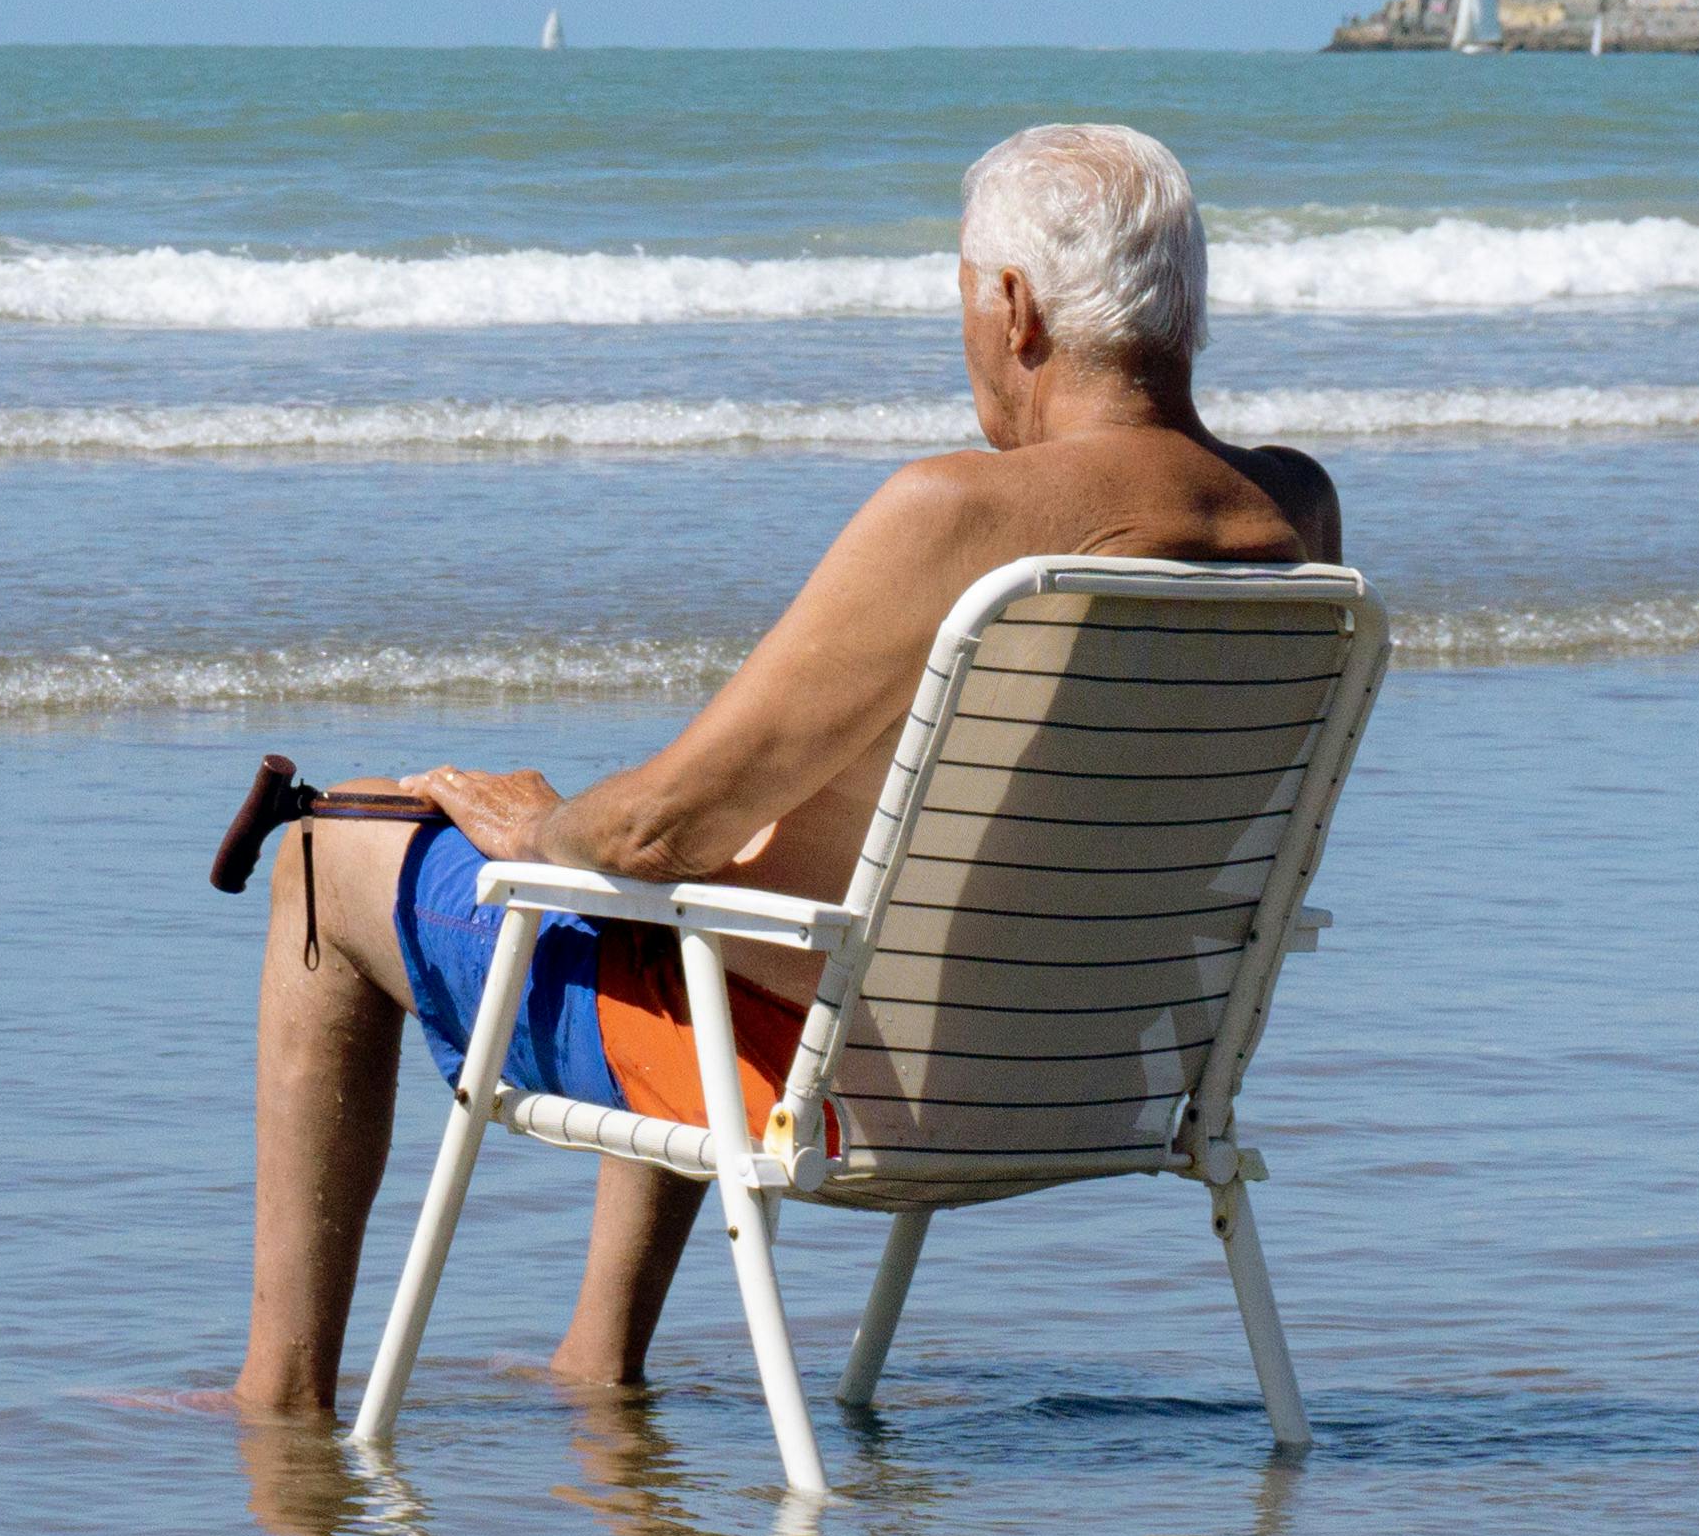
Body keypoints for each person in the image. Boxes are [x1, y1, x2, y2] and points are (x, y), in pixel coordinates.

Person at [236, 122, 1341, 1418]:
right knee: (719, 870)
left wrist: (546, 827)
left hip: (854, 1088)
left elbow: (656, 831)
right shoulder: (1296, 516)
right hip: (1094, 1074)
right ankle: (598, 1358)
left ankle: (281, 1395)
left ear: (1015, 307)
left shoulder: (958, 514)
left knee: (334, 861)